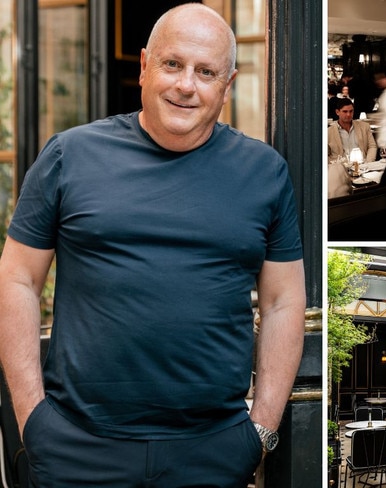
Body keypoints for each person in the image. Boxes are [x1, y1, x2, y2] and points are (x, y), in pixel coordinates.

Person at [0, 4, 306, 487]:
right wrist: (32, 419)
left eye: (206, 72)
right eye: (173, 64)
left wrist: (261, 430)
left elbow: (284, 300)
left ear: (227, 85)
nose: (187, 84)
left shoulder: (264, 172)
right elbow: (17, 277)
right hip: (77, 448)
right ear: (144, 65)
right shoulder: (69, 154)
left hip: (213, 450)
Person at [328, 97, 378, 162]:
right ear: (337, 112)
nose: (348, 114)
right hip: (340, 168)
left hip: (363, 166)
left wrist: (368, 163)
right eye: (345, 111)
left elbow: (372, 146)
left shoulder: (364, 127)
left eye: (351, 111)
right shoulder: (328, 132)